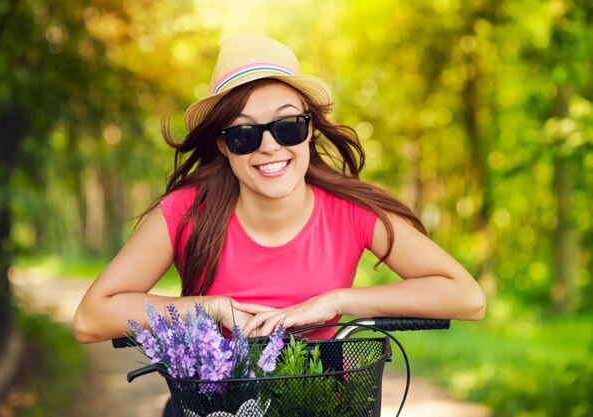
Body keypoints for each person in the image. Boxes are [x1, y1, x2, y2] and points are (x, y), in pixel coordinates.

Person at [73, 33, 485, 344]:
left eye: (287, 126)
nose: (270, 145)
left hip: (323, 402)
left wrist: (338, 301)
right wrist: (207, 309)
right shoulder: (186, 212)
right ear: (222, 144)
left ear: (309, 130)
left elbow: (467, 298)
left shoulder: (350, 212)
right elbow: (91, 318)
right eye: (244, 134)